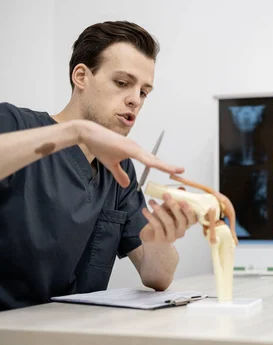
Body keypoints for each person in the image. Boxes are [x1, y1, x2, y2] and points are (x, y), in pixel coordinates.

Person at [0, 21, 198, 312]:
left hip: (79, 338)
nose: (135, 100)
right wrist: (76, 132)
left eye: (144, 92)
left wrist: (160, 239)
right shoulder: (16, 126)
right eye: (122, 83)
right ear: (81, 76)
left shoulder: (118, 171)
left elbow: (157, 276)